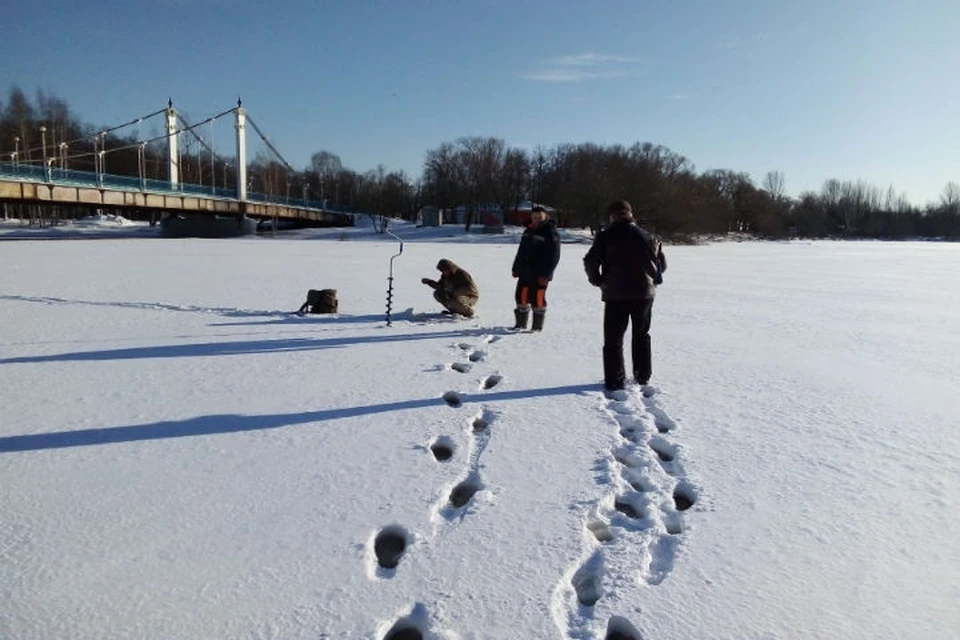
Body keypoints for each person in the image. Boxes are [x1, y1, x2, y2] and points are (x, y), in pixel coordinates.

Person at [583, 200, 667, 390]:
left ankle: (615, 380)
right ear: (630, 214)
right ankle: (643, 375)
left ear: (612, 216)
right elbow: (661, 265)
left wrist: (597, 280)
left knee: (613, 339)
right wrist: (653, 278)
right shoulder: (649, 236)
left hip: (615, 294)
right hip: (644, 294)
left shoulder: (605, 237)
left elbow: (590, 261)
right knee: (641, 335)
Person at [510, 205, 561, 331]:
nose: (536, 219)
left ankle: (536, 328)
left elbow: (555, 255)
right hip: (524, 271)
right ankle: (520, 325)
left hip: (540, 273)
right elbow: (521, 252)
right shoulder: (528, 230)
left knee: (537, 298)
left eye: (539, 217)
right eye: (534, 217)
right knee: (520, 297)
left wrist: (547, 274)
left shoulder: (550, 231)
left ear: (545, 217)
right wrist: (516, 268)